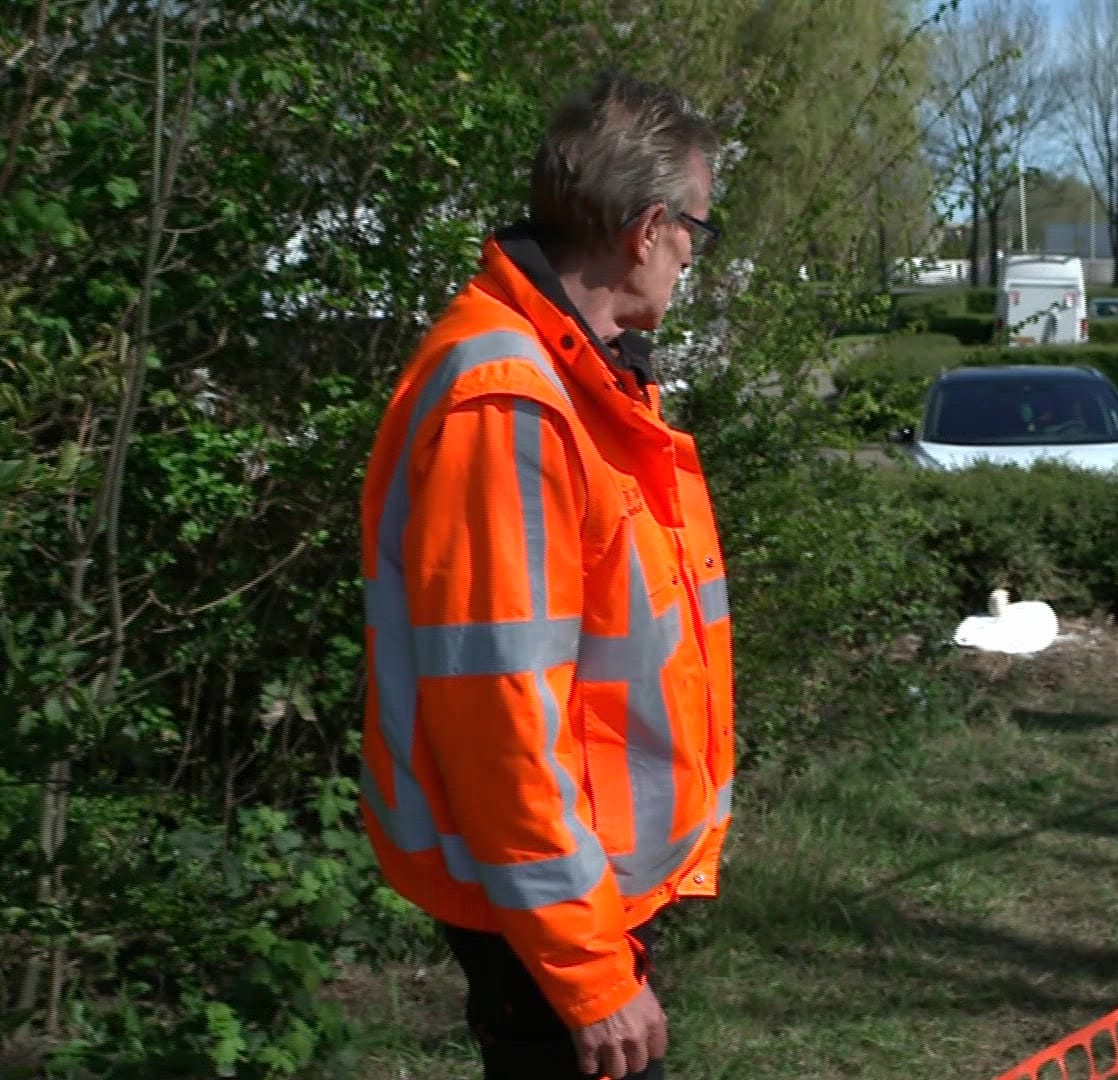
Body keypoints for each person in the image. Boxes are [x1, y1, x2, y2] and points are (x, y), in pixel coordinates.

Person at [357, 71, 735, 1080]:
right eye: (696, 229)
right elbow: (502, 716)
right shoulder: (510, 399)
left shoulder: (578, 375)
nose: (693, 256)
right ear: (646, 230)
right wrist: (590, 974)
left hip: (579, 892)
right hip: (549, 914)